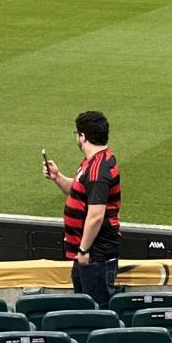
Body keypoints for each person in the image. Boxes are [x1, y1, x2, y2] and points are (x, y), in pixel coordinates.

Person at [45, 111, 122, 306]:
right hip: (87, 256)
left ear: (83, 136)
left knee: (95, 313)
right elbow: (78, 190)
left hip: (94, 257)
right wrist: (57, 177)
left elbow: (96, 216)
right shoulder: (94, 163)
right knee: (84, 309)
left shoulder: (98, 171)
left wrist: (83, 250)